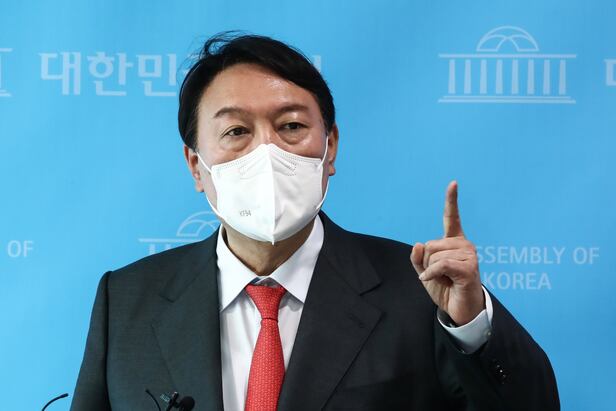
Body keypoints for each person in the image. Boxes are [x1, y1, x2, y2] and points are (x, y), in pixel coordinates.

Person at [71, 33, 559, 411]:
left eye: (291, 126)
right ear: (196, 166)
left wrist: (469, 326)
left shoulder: (419, 289)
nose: (267, 151)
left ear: (330, 149)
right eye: (236, 131)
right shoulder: (127, 300)